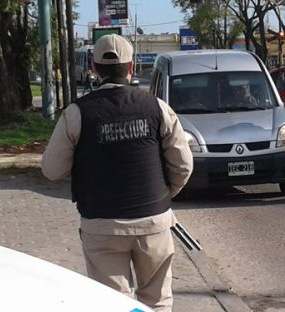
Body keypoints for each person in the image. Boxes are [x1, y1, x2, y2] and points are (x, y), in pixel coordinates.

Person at [41, 34, 193, 311]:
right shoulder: (157, 108)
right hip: (153, 222)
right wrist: (163, 195)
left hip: (101, 225)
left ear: (94, 69)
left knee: (112, 304)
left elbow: (52, 171)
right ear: (131, 67)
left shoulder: (76, 113)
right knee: (157, 301)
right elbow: (183, 165)